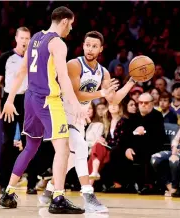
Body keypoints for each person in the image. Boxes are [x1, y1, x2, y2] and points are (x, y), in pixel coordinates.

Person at [0, 6, 87, 214]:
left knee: (31, 146)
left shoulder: (36, 37)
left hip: (29, 97)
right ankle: (58, 198)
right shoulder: (58, 43)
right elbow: (63, 77)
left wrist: (10, 99)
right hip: (48, 100)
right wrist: (75, 104)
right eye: (71, 24)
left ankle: (9, 193)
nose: (71, 29)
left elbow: (22, 70)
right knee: (63, 148)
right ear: (64, 21)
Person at [39, 31, 136, 212]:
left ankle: (50, 189)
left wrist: (131, 82)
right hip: (61, 111)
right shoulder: (74, 65)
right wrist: (101, 93)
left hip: (78, 116)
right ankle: (88, 195)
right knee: (82, 148)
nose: (90, 49)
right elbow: (75, 93)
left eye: (94, 46)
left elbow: (113, 100)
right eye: (87, 45)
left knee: (73, 157)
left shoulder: (103, 72)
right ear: (83, 45)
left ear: (100, 49)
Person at [0, 27, 34, 194]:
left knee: (30, 141)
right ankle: (4, 183)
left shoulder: (33, 58)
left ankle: (31, 183)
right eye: (22, 37)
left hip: (28, 99)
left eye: (27, 38)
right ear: (16, 38)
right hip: (10, 99)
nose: (24, 41)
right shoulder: (6, 57)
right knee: (8, 142)